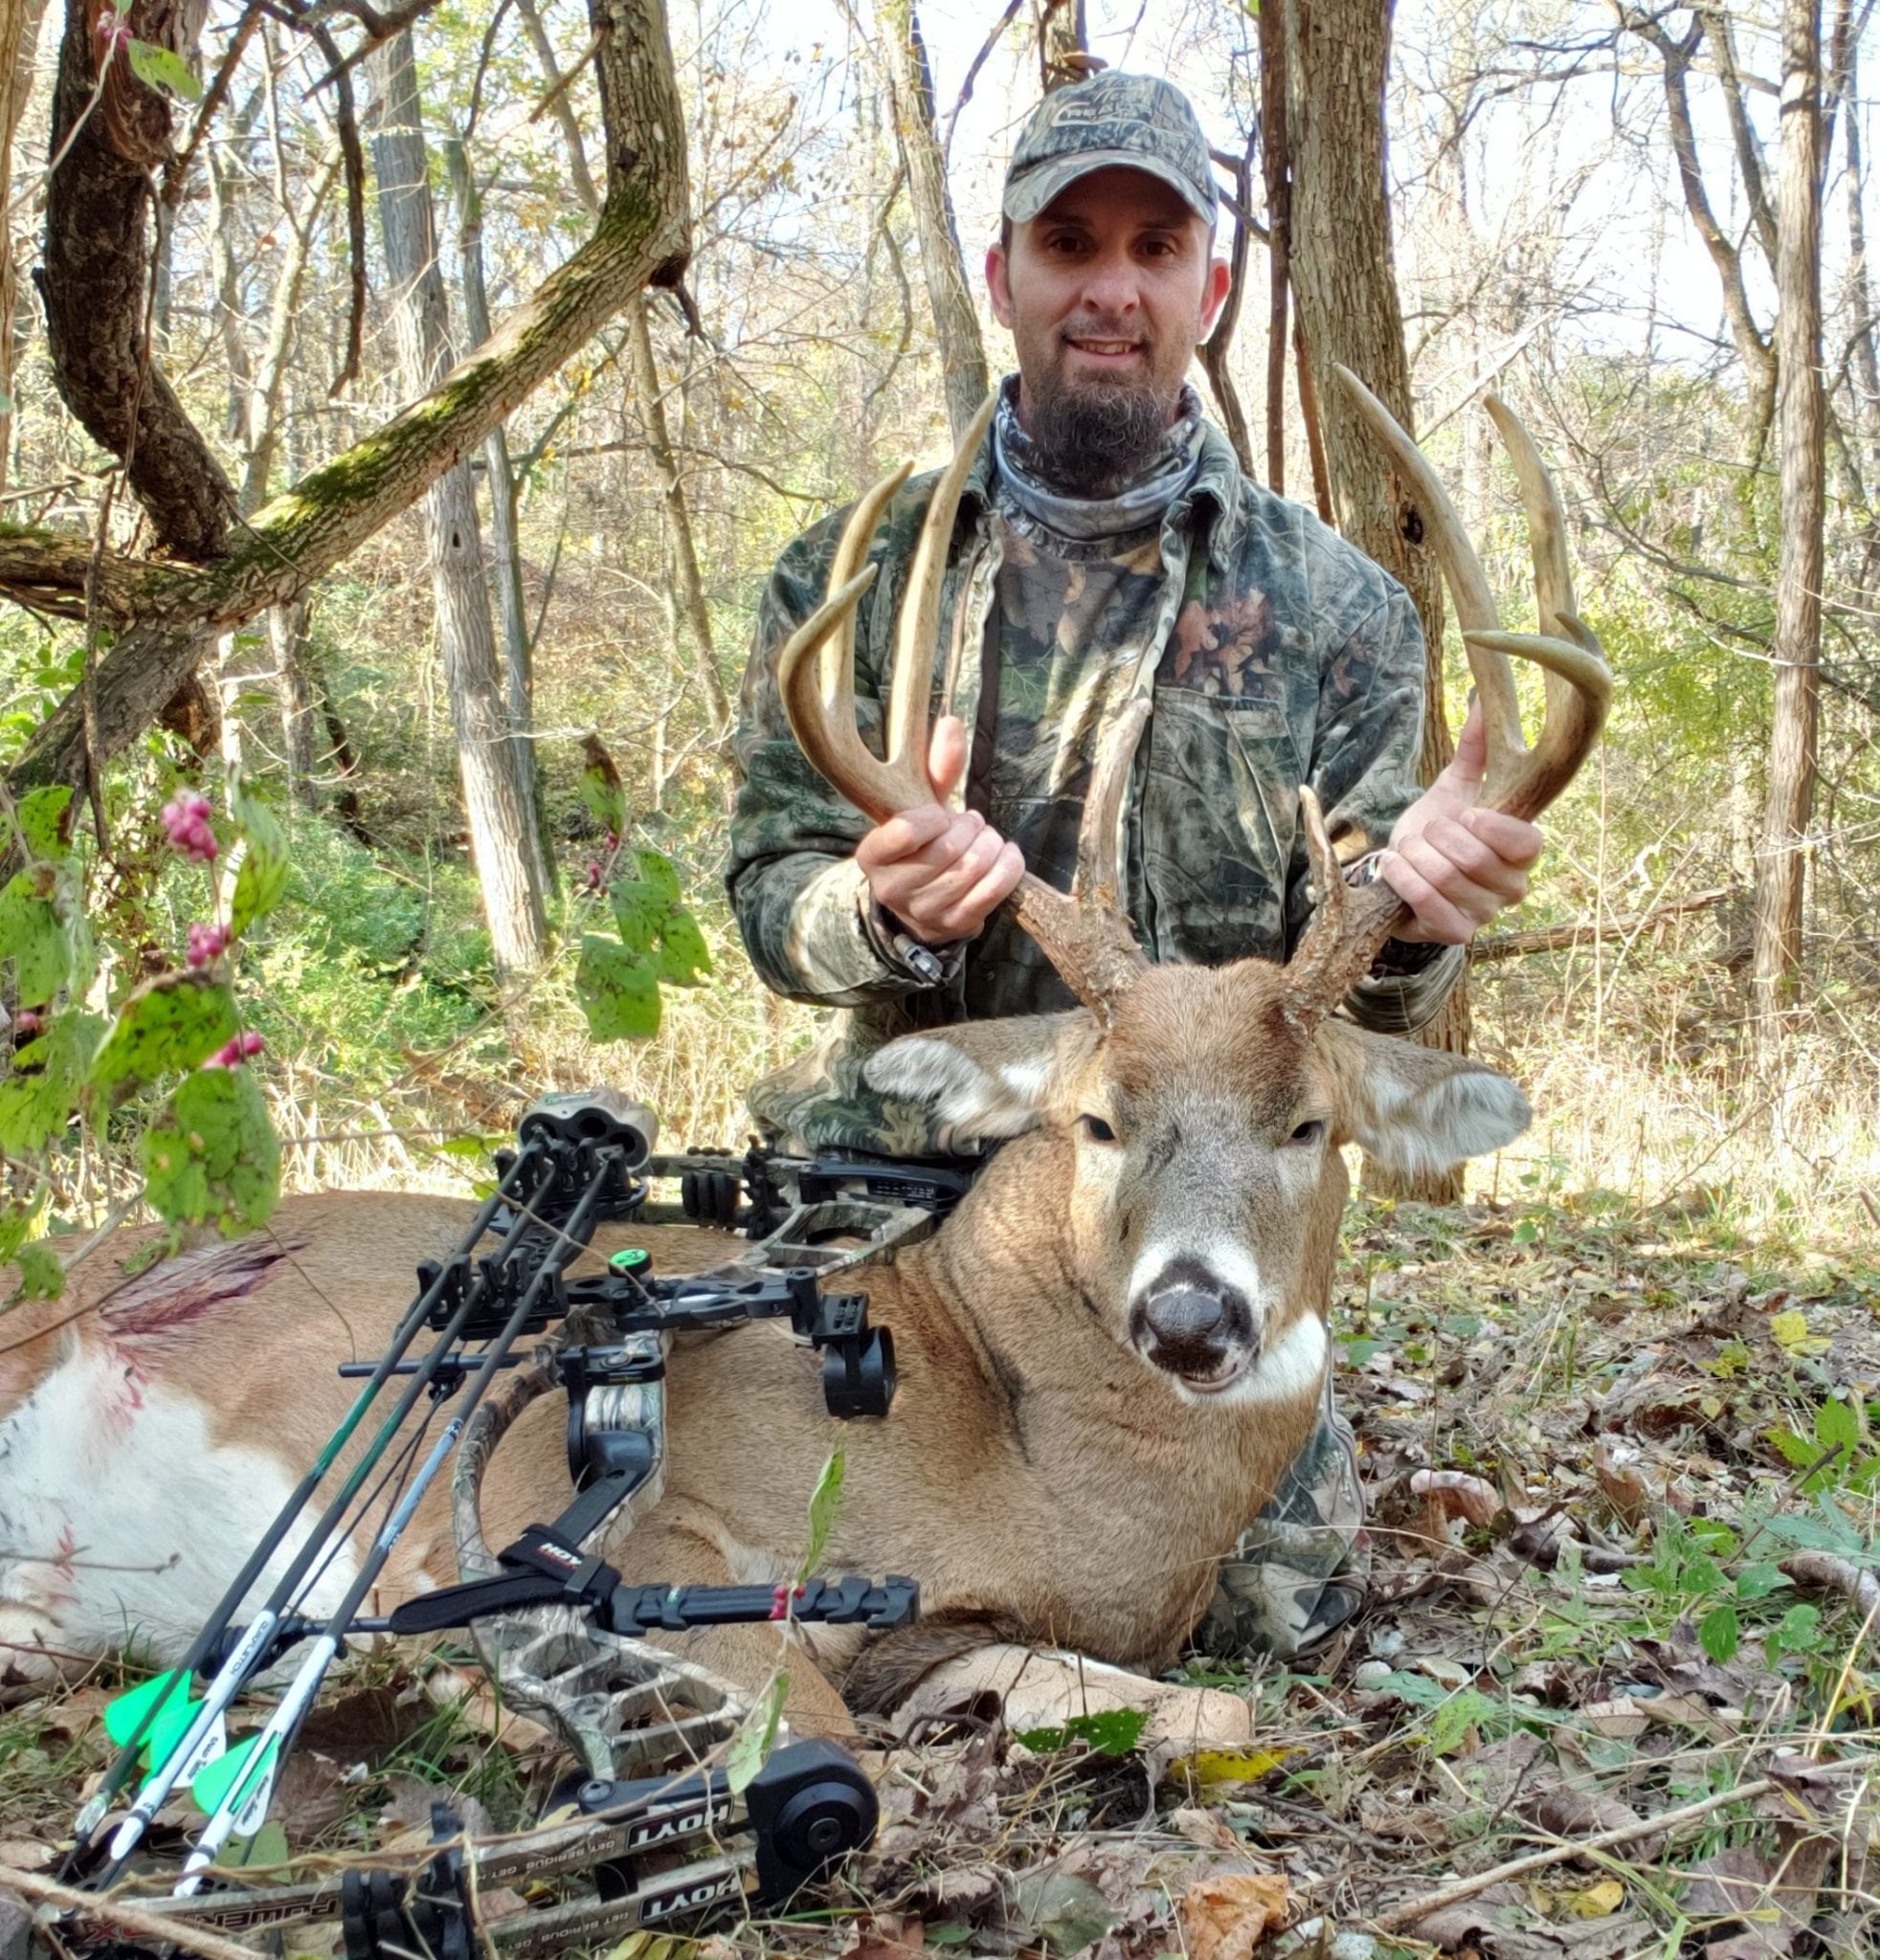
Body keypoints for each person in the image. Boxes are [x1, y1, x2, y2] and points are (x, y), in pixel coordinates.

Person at [724, 71, 1543, 1660]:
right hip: (904, 1190)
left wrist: (1426, 908)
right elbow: (771, 891)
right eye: (1070, 242)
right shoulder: (862, 574)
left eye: (1156, 247)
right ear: (1005, 275)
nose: (1112, 287)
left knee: (1260, 1613)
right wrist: (879, 918)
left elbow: (1367, 940)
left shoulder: (1343, 609)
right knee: (764, 1530)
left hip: (1202, 1199)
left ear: (1206, 286)